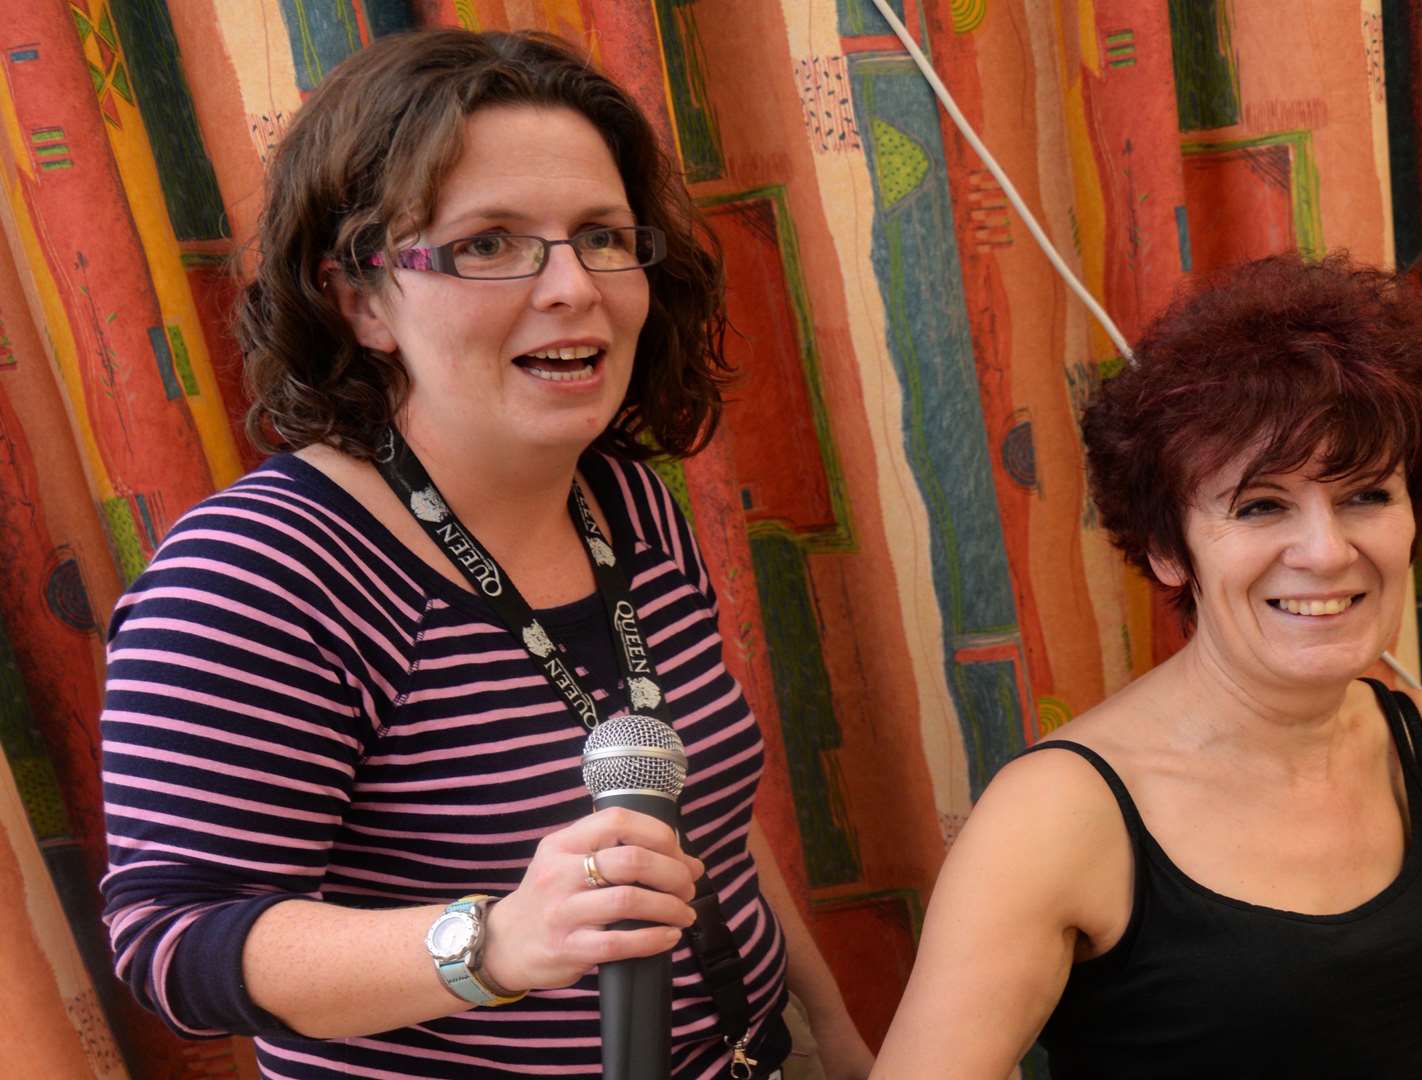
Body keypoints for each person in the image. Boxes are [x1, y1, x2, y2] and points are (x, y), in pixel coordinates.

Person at [97, 29, 872, 1079]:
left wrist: (834, 1042)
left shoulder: (629, 506)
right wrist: (495, 941)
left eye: (602, 235)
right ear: (361, 300)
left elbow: (708, 841)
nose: (572, 287)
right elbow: (172, 946)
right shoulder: (259, 575)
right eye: (488, 243)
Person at [872, 255, 1422, 1078]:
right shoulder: (1055, 817)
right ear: (1167, 548)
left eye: (1365, 495)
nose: (1326, 552)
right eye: (1262, 506)